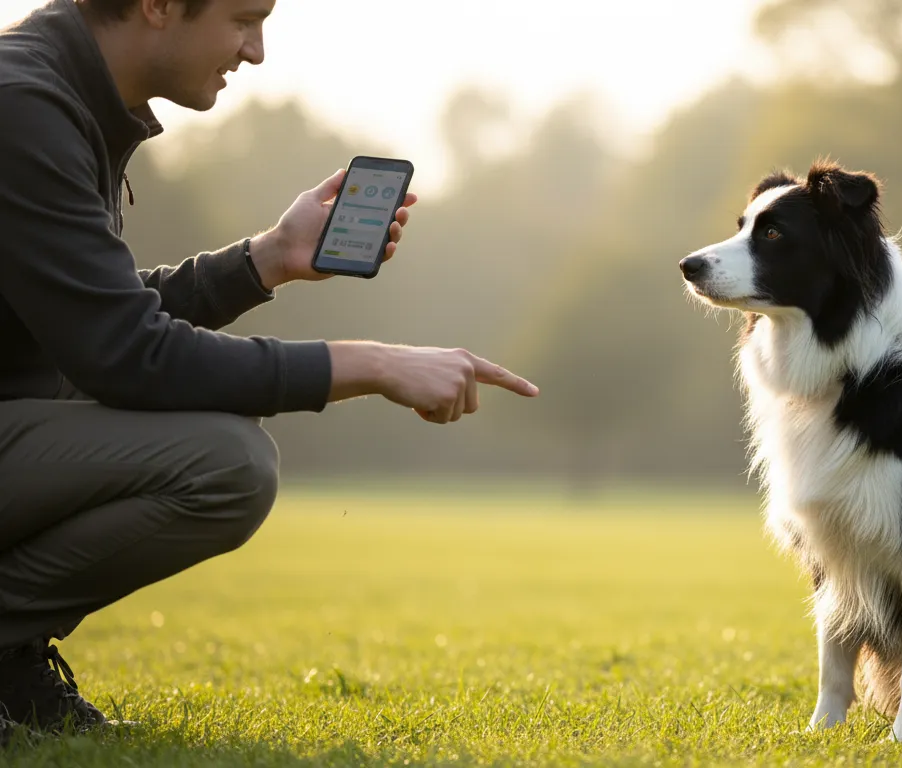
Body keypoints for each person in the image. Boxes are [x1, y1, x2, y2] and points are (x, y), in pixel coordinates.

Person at [0, 0, 540, 741]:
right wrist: (372, 364)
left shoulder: (54, 94)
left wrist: (268, 259)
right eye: (243, 19)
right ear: (158, 6)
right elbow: (127, 354)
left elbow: (97, 321)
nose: (256, 51)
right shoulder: (25, 108)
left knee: (223, 453)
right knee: (227, 463)